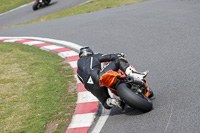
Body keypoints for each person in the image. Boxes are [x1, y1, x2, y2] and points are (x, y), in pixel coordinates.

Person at [77, 46, 151, 110]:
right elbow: (110, 56)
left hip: (91, 86)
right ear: (90, 52)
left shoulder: (78, 71)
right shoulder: (93, 57)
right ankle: (134, 74)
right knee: (118, 59)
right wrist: (118, 54)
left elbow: (83, 81)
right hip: (98, 75)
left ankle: (112, 101)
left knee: (105, 102)